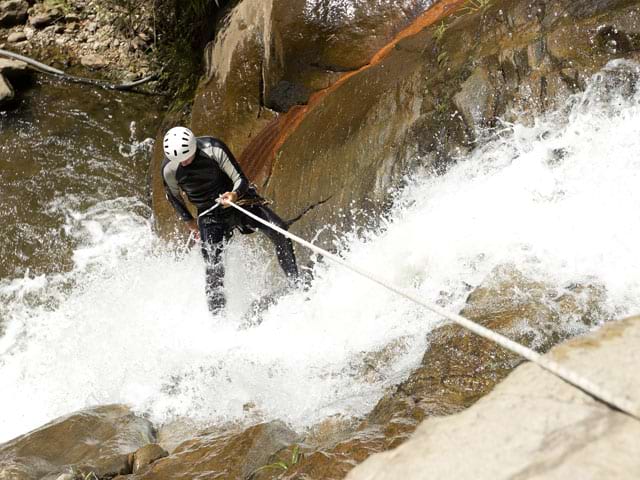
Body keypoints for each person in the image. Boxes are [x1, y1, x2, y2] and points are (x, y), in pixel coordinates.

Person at [161, 126, 299, 313]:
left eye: (186, 157)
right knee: (213, 266)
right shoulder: (169, 169)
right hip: (209, 216)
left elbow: (240, 179)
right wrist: (189, 221)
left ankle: (295, 285)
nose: (184, 163)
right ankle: (219, 321)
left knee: (279, 229)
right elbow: (173, 196)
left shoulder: (213, 148)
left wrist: (234, 195)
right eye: (179, 160)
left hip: (239, 202)